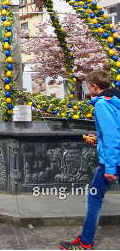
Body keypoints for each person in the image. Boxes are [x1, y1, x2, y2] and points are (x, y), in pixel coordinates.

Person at [60, 69, 120, 250]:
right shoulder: (115, 102)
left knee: (94, 198)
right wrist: (98, 140)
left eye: (87, 86)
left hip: (113, 162)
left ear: (94, 86)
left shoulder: (102, 104)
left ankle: (85, 242)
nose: (87, 89)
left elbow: (112, 137)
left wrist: (109, 167)